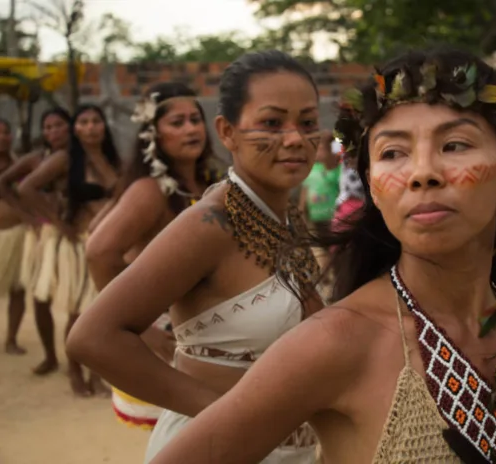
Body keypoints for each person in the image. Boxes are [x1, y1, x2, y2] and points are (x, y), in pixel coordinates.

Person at [149, 47, 496, 464]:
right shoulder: (336, 343)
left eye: (454, 144)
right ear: (372, 186)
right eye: (392, 153)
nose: (422, 172)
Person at [66, 50, 323, 463]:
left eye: (308, 123)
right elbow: (91, 338)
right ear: (227, 131)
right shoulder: (210, 223)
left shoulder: (281, 211)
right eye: (272, 123)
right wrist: (232, 416)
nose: (294, 139)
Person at [85, 82, 218, 430]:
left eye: (195, 119)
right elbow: (100, 251)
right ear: (153, 134)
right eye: (177, 122)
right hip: (166, 338)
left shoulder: (210, 181)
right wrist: (139, 329)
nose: (191, 128)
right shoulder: (150, 190)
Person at [18, 104, 121, 396]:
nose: (91, 127)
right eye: (84, 122)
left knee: (103, 314)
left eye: (96, 121)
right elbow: (27, 188)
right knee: (81, 315)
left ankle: (96, 374)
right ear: (75, 129)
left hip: (109, 244)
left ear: (104, 125)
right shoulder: (65, 158)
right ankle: (76, 372)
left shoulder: (114, 160)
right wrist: (56, 223)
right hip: (80, 245)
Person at [0, 107, 71, 374]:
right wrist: (29, 217)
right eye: (48, 127)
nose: (53, 132)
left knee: (76, 302)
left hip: (72, 235)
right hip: (44, 235)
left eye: (58, 125)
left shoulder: (80, 159)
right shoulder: (34, 160)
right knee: (41, 297)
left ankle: (76, 363)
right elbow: (4, 184)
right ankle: (50, 356)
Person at [0, 118, 27, 354]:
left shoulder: (20, 164)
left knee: (18, 289)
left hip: (18, 234)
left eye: (6, 132)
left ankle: (11, 339)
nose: (2, 137)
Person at [300, 131, 341, 271]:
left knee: (335, 250)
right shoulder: (312, 170)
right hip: (317, 219)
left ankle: (337, 274)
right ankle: (328, 276)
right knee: (322, 250)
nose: (317, 152)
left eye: (321, 149)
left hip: (334, 219)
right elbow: (305, 191)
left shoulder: (336, 170)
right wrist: (301, 210)